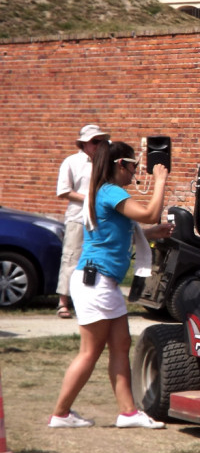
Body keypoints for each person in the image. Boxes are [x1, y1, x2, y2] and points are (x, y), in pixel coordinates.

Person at [49, 141, 173, 429]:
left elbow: (120, 232)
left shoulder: (103, 191)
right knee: (90, 351)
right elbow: (149, 213)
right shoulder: (111, 191)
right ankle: (61, 413)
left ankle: (128, 413)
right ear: (121, 165)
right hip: (96, 282)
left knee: (120, 345)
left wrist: (153, 232)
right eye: (133, 167)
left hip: (100, 281)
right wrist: (161, 180)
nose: (135, 174)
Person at [55, 124, 110, 318]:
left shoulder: (107, 163)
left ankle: (87, 302)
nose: (100, 145)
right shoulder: (71, 162)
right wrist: (89, 198)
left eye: (102, 141)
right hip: (78, 218)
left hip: (101, 220)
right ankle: (63, 302)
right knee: (71, 257)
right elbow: (63, 191)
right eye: (95, 141)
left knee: (94, 260)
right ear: (84, 144)